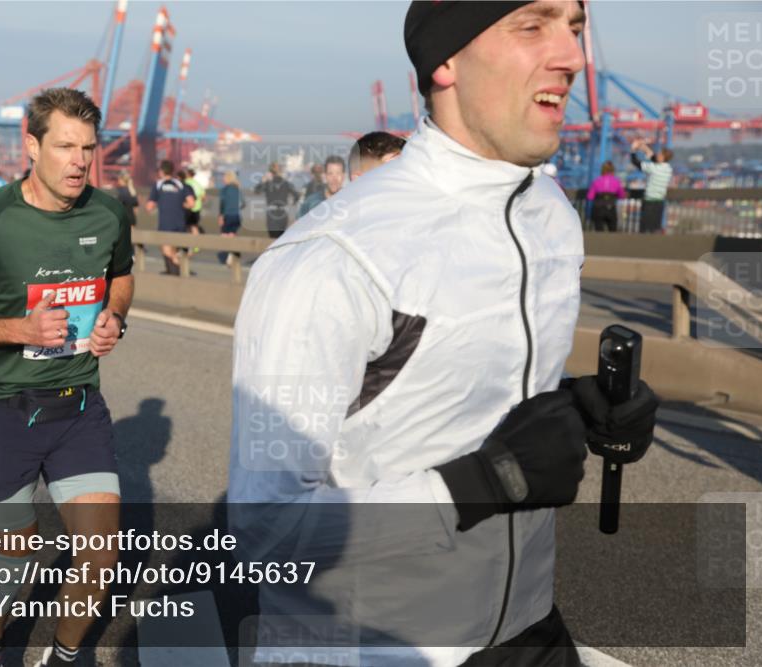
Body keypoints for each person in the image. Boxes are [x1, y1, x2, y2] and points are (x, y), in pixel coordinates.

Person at [228, 3, 660, 666]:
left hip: (528, 625)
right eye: (533, 25)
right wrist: (488, 481)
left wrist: (580, 408)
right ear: (446, 61)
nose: (573, 57)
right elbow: (264, 530)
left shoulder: (551, 214)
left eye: (574, 27)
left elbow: (466, 397)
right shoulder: (334, 256)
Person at [0, 87, 133, 667]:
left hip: (77, 405)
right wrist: (20, 329)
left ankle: (65, 656)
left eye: (88, 148)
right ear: (32, 147)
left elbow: (121, 275)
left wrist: (114, 316)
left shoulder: (108, 213)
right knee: (15, 553)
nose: (79, 161)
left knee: (102, 552)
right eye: (65, 146)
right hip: (2, 408)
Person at [145, 159, 194, 275]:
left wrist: (159, 203)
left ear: (161, 171)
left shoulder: (158, 185)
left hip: (165, 223)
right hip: (180, 222)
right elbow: (191, 203)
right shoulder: (180, 184)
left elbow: (149, 207)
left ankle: (176, 268)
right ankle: (176, 269)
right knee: (175, 248)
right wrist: (181, 204)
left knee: (166, 249)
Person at [631, 139, 673, 234]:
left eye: (660, 154)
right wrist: (644, 148)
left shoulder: (654, 168)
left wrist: (633, 150)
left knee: (644, 229)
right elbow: (654, 158)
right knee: (655, 229)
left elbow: (635, 162)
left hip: (649, 202)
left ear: (663, 157)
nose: (658, 154)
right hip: (660, 202)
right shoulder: (668, 169)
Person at [254, 162, 299, 238]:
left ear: (270, 172)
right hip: (283, 211)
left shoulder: (268, 183)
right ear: (281, 172)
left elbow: (257, 191)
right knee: (280, 237)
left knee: (273, 236)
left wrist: (263, 180)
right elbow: (296, 195)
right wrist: (292, 203)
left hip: (272, 212)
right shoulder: (286, 183)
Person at [586, 160, 626, 232]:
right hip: (611, 208)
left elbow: (590, 197)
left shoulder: (597, 181)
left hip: (598, 208)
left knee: (599, 232)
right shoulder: (616, 181)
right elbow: (622, 196)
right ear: (613, 170)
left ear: (602, 170)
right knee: (613, 231)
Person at [217, 170, 244, 266]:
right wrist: (235, 207)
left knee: (224, 236)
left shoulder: (225, 189)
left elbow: (222, 203)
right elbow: (243, 203)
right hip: (236, 216)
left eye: (224, 177)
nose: (223, 179)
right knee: (232, 235)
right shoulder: (238, 189)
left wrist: (220, 216)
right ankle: (232, 256)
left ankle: (226, 257)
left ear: (228, 178)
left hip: (227, 216)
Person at [182, 167, 206, 241]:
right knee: (194, 226)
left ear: (187, 174)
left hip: (187, 208)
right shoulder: (198, 184)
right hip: (197, 209)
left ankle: (186, 243)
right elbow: (203, 197)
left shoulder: (185, 183)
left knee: (185, 227)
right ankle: (196, 243)